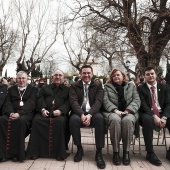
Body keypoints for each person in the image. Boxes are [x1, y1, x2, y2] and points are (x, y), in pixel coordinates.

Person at [27, 69, 70, 161]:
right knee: (37, 121)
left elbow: (68, 102)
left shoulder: (67, 90)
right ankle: (35, 151)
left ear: (63, 77)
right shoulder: (45, 88)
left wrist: (61, 111)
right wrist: (42, 109)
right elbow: (39, 99)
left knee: (60, 121)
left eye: (60, 75)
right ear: (52, 77)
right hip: (45, 111)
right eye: (56, 75)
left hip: (59, 114)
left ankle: (59, 152)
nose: (58, 77)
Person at [69, 65, 105, 169]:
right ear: (81, 74)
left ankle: (99, 152)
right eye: (84, 73)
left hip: (93, 112)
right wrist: (81, 114)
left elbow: (98, 101)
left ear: (92, 74)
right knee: (73, 121)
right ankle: (79, 148)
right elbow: (73, 102)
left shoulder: (98, 85)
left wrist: (89, 114)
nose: (86, 75)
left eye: (88, 73)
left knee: (100, 119)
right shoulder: (74, 85)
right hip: (78, 112)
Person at [103, 68, 140, 165]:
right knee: (115, 120)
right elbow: (105, 101)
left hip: (129, 112)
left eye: (118, 75)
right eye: (113, 75)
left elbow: (136, 100)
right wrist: (115, 110)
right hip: (112, 112)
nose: (115, 77)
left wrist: (127, 110)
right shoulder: (107, 87)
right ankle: (115, 152)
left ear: (123, 76)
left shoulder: (131, 86)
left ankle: (126, 152)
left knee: (127, 121)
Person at [0, 71, 38, 162]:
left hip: (26, 114)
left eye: (23, 78)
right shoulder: (11, 89)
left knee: (20, 121)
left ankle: (17, 154)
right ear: (16, 79)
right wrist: (10, 113)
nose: (21, 80)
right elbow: (7, 102)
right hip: (12, 112)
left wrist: (19, 114)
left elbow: (31, 103)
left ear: (27, 79)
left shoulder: (33, 89)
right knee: (2, 120)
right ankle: (3, 153)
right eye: (19, 78)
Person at [137, 66, 170, 166]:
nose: (150, 76)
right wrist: (153, 116)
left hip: (162, 113)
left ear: (156, 74)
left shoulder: (164, 87)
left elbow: (168, 104)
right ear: (144, 76)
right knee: (147, 121)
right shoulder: (140, 88)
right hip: (146, 113)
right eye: (148, 74)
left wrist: (164, 117)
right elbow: (142, 105)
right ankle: (150, 153)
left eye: (152, 73)